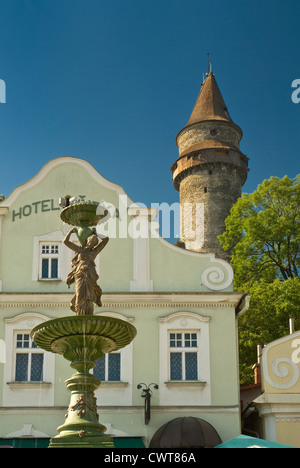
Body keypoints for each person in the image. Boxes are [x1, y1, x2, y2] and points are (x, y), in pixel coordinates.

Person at [63, 227, 109, 315]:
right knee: (79, 294)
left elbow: (106, 240)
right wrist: (70, 232)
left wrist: (98, 234)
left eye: (94, 242)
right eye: (91, 240)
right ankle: (79, 313)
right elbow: (66, 242)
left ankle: (88, 313)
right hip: (79, 274)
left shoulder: (95, 251)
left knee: (89, 296)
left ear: (95, 244)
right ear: (88, 240)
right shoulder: (79, 249)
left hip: (90, 275)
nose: (92, 243)